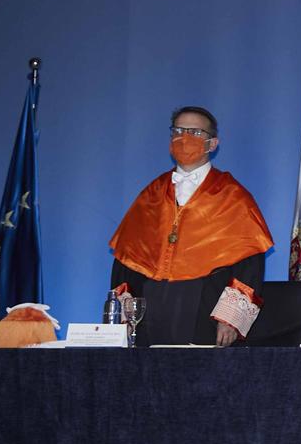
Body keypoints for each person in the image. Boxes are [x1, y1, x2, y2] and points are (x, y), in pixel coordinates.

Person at [109, 106, 271, 347]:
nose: (185, 138)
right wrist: (126, 310)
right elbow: (127, 256)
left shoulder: (233, 196)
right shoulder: (151, 194)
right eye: (179, 131)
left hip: (205, 306)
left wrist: (229, 319)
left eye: (195, 132)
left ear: (212, 143)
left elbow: (250, 262)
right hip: (150, 308)